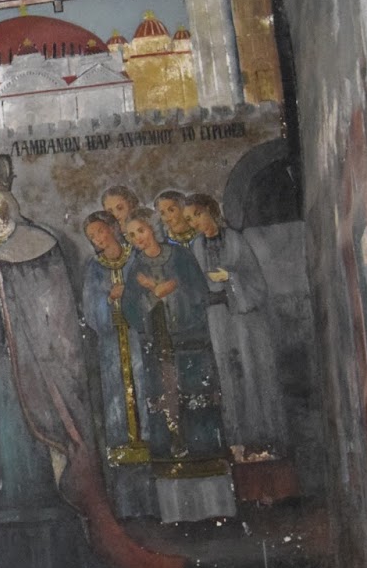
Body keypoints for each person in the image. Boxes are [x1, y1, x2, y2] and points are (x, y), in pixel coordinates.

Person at [0, 157, 183, 568]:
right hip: (3, 386)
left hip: (47, 378)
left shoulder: (40, 248)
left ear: (11, 204)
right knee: (12, 475)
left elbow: (53, 323)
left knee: (50, 471)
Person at [120, 210, 235, 523]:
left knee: (199, 408)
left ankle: (216, 504)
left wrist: (171, 290)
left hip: (189, 342)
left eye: (141, 230)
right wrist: (151, 297)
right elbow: (130, 307)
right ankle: (175, 510)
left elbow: (199, 291)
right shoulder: (136, 268)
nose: (138, 238)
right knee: (166, 414)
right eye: (131, 235)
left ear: (153, 228)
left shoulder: (181, 256)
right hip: (157, 347)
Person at [185, 193, 289, 458]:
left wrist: (230, 277)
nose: (195, 222)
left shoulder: (235, 240)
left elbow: (256, 282)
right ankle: (237, 443)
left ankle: (264, 440)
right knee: (228, 375)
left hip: (244, 319)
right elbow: (193, 284)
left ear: (210, 210)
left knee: (252, 371)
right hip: (217, 320)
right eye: (190, 219)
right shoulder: (195, 247)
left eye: (197, 214)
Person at [80, 210, 155, 518]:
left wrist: (131, 294)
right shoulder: (94, 268)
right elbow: (90, 309)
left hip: (140, 341)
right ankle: (127, 507)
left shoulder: (135, 257)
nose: (98, 239)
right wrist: (110, 299)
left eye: (100, 231)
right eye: (92, 237)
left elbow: (152, 291)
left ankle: (157, 501)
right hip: (111, 348)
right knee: (118, 413)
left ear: (112, 228)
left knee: (147, 402)